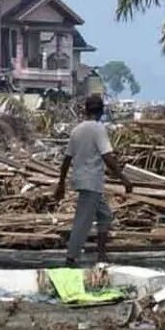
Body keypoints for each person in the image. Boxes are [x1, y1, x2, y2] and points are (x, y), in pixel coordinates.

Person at [55, 93, 135, 266]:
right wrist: (123, 178)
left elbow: (67, 159)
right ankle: (71, 258)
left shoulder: (77, 130)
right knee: (83, 220)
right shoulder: (98, 129)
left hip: (84, 181)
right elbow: (107, 156)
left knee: (105, 216)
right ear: (101, 110)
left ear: (85, 110)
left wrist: (61, 183)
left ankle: (101, 255)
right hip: (91, 182)